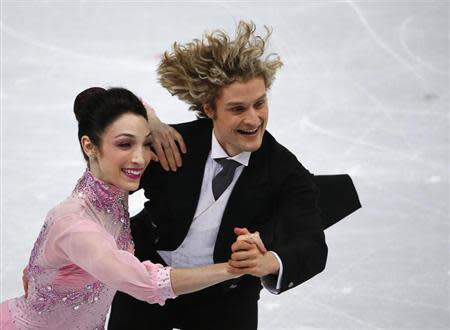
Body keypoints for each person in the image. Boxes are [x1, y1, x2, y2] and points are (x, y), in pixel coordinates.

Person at [109, 21, 335, 330]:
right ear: (210, 108)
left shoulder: (285, 171)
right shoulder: (176, 144)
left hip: (225, 295)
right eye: (237, 108)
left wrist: (267, 262)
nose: (253, 119)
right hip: (149, 280)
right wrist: (142, 118)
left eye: (260, 103)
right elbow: (99, 140)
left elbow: (312, 245)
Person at [0, 87, 262, 330]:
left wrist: (154, 122)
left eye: (146, 144)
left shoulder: (111, 191)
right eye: (125, 144)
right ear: (89, 146)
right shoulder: (77, 225)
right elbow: (147, 284)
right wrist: (233, 268)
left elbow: (112, 103)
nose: (140, 158)